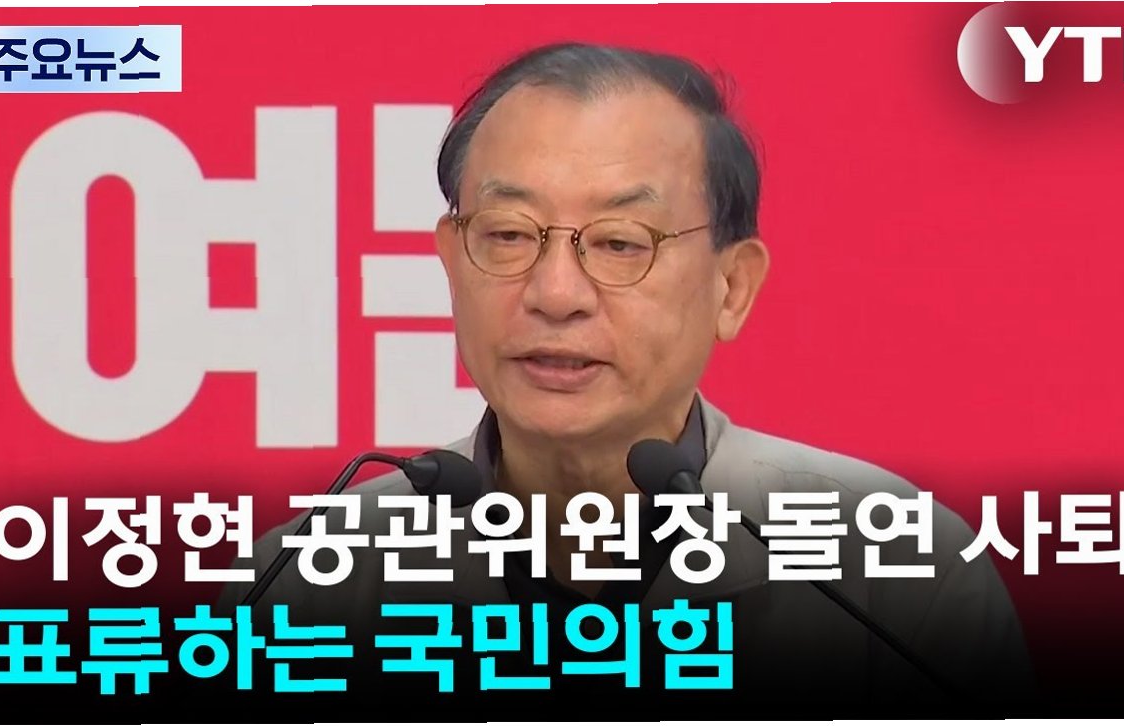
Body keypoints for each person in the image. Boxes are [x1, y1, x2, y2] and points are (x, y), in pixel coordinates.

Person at [220, 42, 1032, 718]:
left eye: (619, 243)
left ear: (731, 287)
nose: (555, 294)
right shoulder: (300, 589)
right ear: (451, 262)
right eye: (507, 234)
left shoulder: (894, 576)